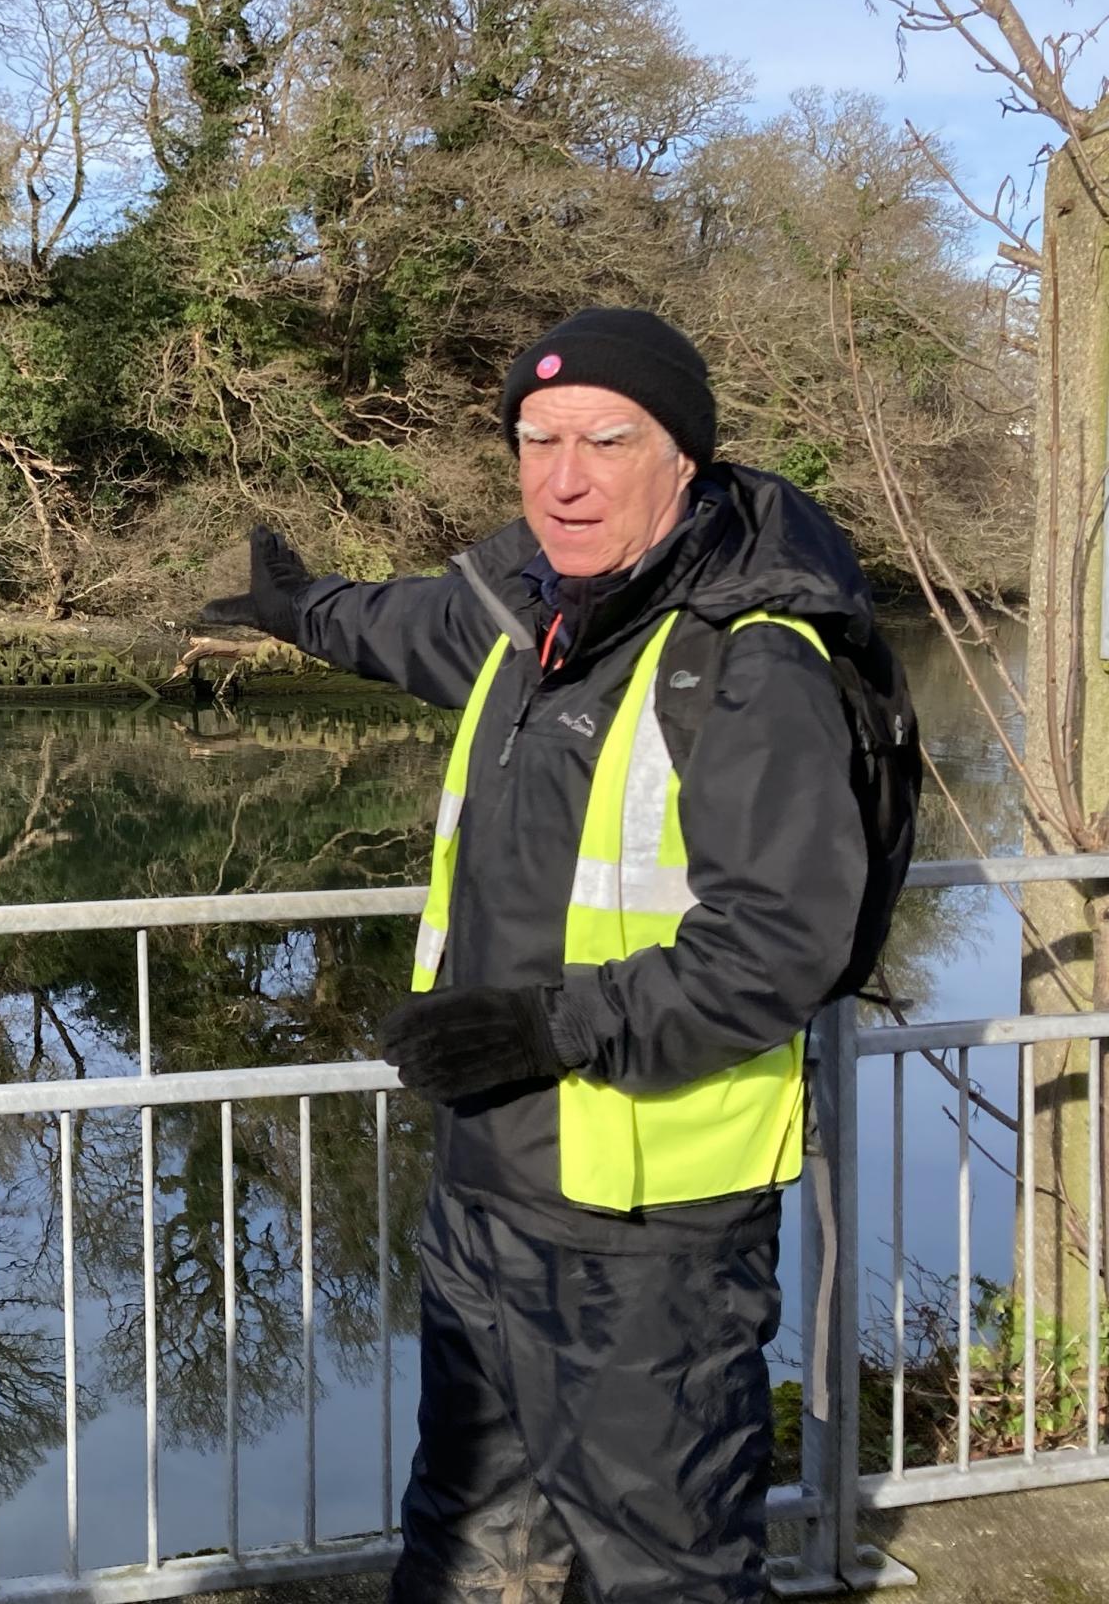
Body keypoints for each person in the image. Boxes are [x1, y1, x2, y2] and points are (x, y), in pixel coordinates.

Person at [198, 307, 878, 1604]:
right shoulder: (525, 622)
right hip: (488, 1190)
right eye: (537, 438)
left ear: (682, 456)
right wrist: (297, 610)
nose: (564, 475)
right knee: (465, 1543)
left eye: (605, 439)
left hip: (649, 1233)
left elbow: (790, 939)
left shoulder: (745, 661)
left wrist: (557, 1027)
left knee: (662, 1570)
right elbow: (401, 626)